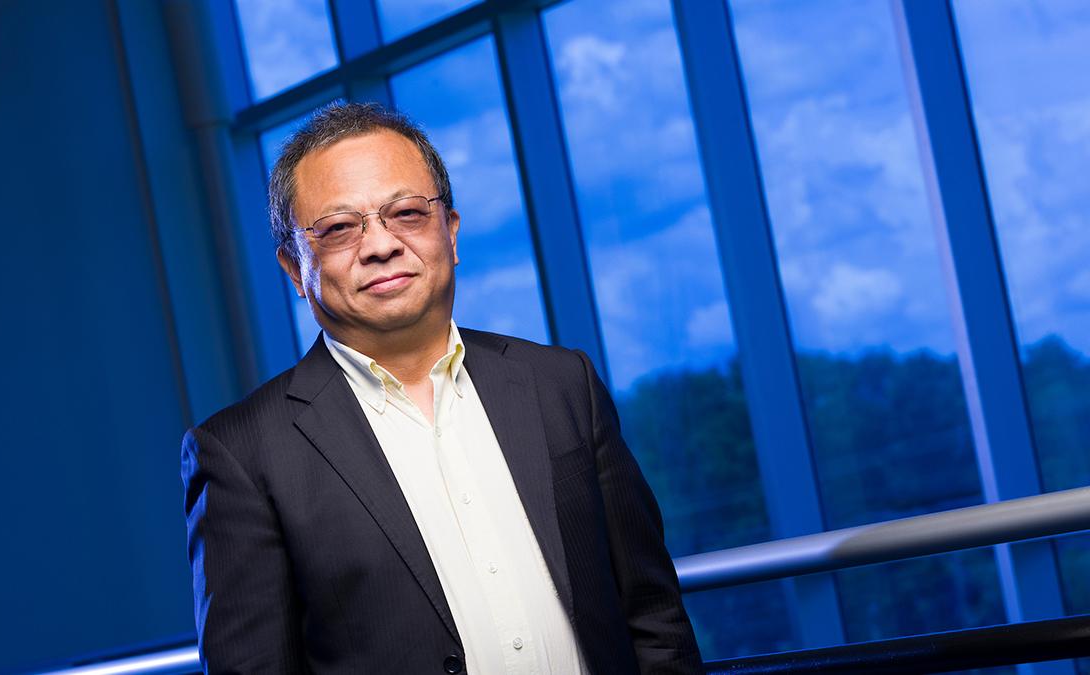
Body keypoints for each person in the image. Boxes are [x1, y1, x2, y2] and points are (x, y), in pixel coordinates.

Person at [181, 102, 703, 674]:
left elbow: (653, 618)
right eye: (337, 228)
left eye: (406, 213)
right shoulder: (242, 454)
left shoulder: (560, 385)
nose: (380, 245)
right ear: (294, 269)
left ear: (449, 233)